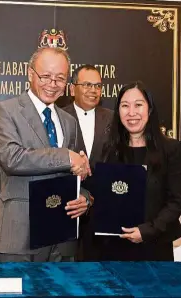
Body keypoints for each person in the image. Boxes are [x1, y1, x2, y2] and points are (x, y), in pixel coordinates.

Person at [0, 47, 92, 262]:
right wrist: (66, 156)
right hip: (20, 236)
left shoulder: (69, 122)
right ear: (30, 73)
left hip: (62, 237)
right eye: (45, 76)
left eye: (60, 79)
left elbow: (77, 171)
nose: (52, 84)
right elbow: (13, 159)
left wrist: (85, 197)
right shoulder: (5, 111)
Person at [91, 81, 181, 261]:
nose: (131, 112)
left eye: (138, 105)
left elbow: (176, 201)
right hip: (113, 246)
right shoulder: (109, 150)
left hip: (154, 246)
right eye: (125, 106)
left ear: (149, 109)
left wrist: (147, 230)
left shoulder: (170, 150)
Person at [63, 64, 113, 260]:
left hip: (103, 210)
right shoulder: (59, 116)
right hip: (68, 208)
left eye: (98, 85)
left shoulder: (113, 119)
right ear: (72, 88)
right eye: (87, 85)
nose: (93, 90)